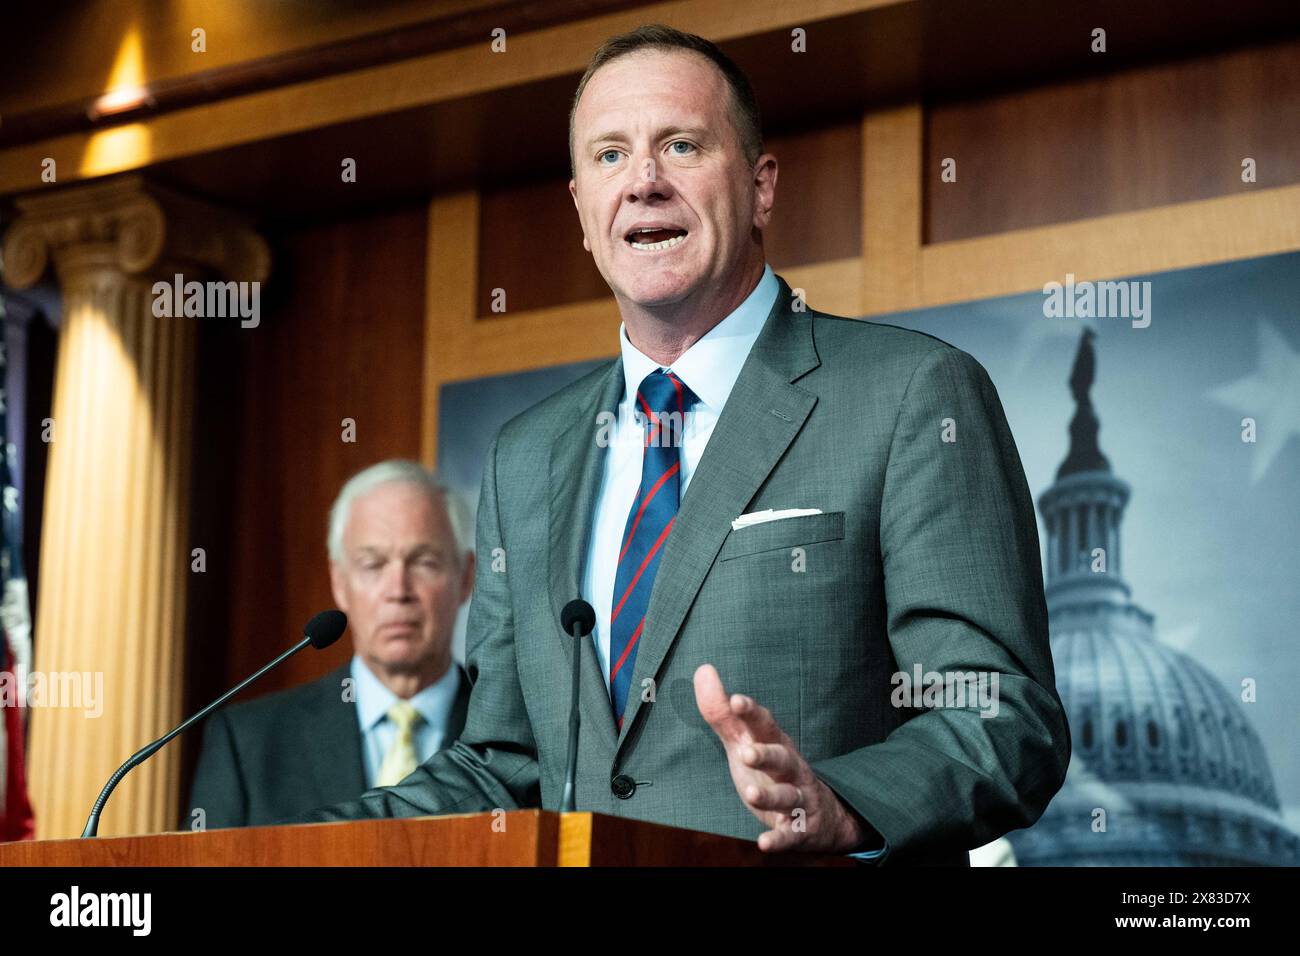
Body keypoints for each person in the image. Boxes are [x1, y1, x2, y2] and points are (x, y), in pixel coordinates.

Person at [299, 25, 1070, 865]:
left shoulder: (911, 393)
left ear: (762, 186)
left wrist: (842, 803)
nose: (644, 182)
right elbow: (506, 763)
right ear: (583, 217)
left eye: (681, 144)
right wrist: (299, 845)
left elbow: (1002, 713)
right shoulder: (527, 456)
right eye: (609, 156)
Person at [186, 460, 474, 829]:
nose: (398, 591)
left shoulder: (517, 736)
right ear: (339, 583)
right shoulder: (248, 742)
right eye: (373, 564)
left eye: (424, 562)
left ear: (466, 577)